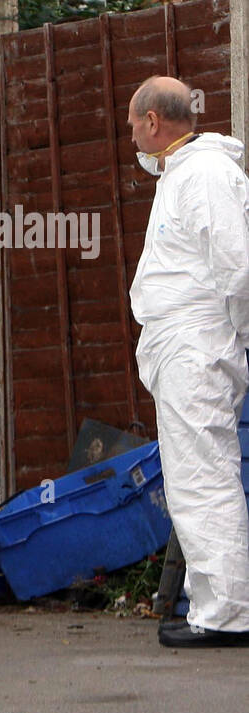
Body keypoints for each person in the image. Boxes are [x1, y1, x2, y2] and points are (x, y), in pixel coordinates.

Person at [128, 75, 249, 648]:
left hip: (196, 347)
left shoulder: (202, 175)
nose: (130, 137)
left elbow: (237, 266)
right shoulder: (186, 173)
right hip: (188, 344)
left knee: (203, 478)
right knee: (196, 477)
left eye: (133, 125)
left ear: (153, 120)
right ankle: (217, 606)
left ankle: (226, 614)